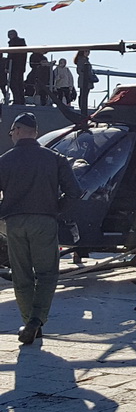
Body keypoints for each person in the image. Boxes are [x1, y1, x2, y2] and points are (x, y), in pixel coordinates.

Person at [0, 113, 82, 344]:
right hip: (45, 221)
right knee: (47, 274)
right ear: (35, 133)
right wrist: (56, 208)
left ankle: (29, 322)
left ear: (17, 130)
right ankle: (36, 321)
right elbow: (75, 192)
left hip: (14, 223)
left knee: (21, 275)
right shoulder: (55, 158)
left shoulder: (4, 160)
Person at [7, 30, 27, 105]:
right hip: (19, 66)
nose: (10, 36)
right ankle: (21, 100)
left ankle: (17, 100)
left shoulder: (14, 42)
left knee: (14, 83)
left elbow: (10, 55)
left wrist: (7, 66)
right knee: (19, 84)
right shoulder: (21, 42)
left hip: (14, 66)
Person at [74, 51, 95, 116]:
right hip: (84, 80)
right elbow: (79, 71)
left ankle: (83, 107)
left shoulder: (85, 60)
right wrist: (87, 75)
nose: (88, 53)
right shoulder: (81, 60)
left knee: (85, 94)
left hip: (87, 80)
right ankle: (82, 107)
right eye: (86, 51)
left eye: (88, 51)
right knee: (83, 94)